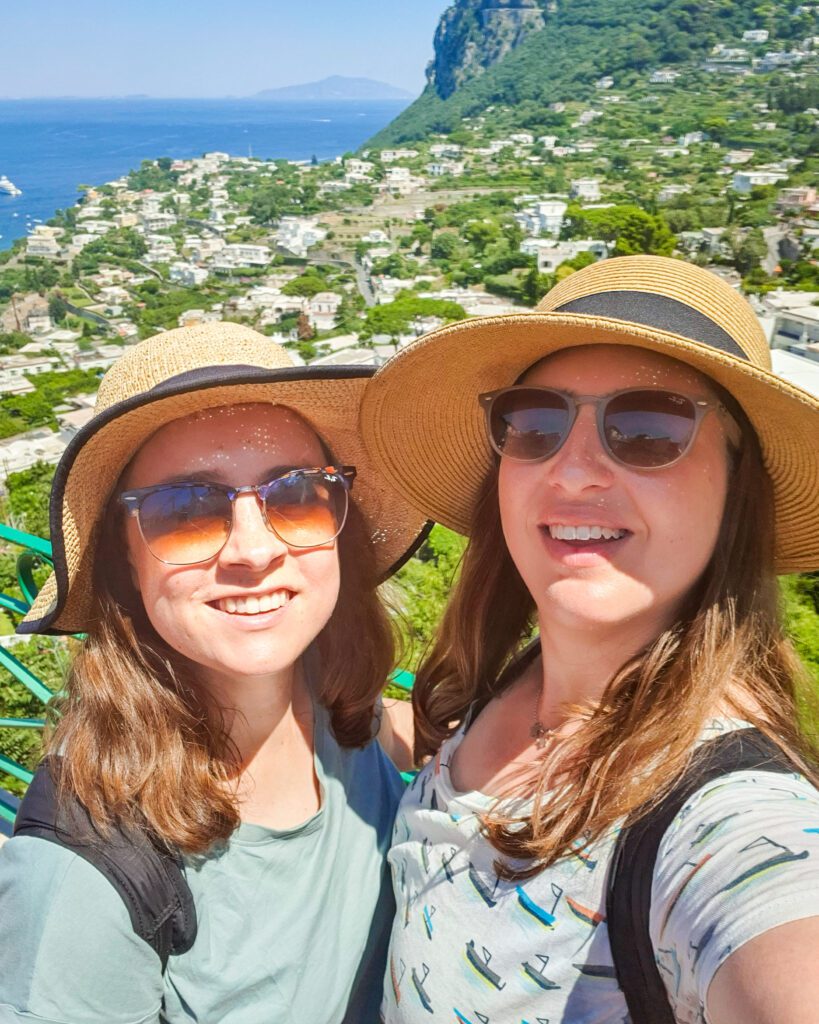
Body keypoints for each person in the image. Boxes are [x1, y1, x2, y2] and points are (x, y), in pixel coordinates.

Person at [361, 255, 819, 1023]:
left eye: (646, 429)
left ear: (736, 485)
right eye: (534, 423)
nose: (572, 472)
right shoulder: (509, 686)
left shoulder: (733, 819)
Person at [0, 322, 427, 1024]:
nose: (253, 550)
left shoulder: (320, 689)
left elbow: (382, 726)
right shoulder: (86, 875)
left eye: (294, 495)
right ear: (123, 560)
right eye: (187, 511)